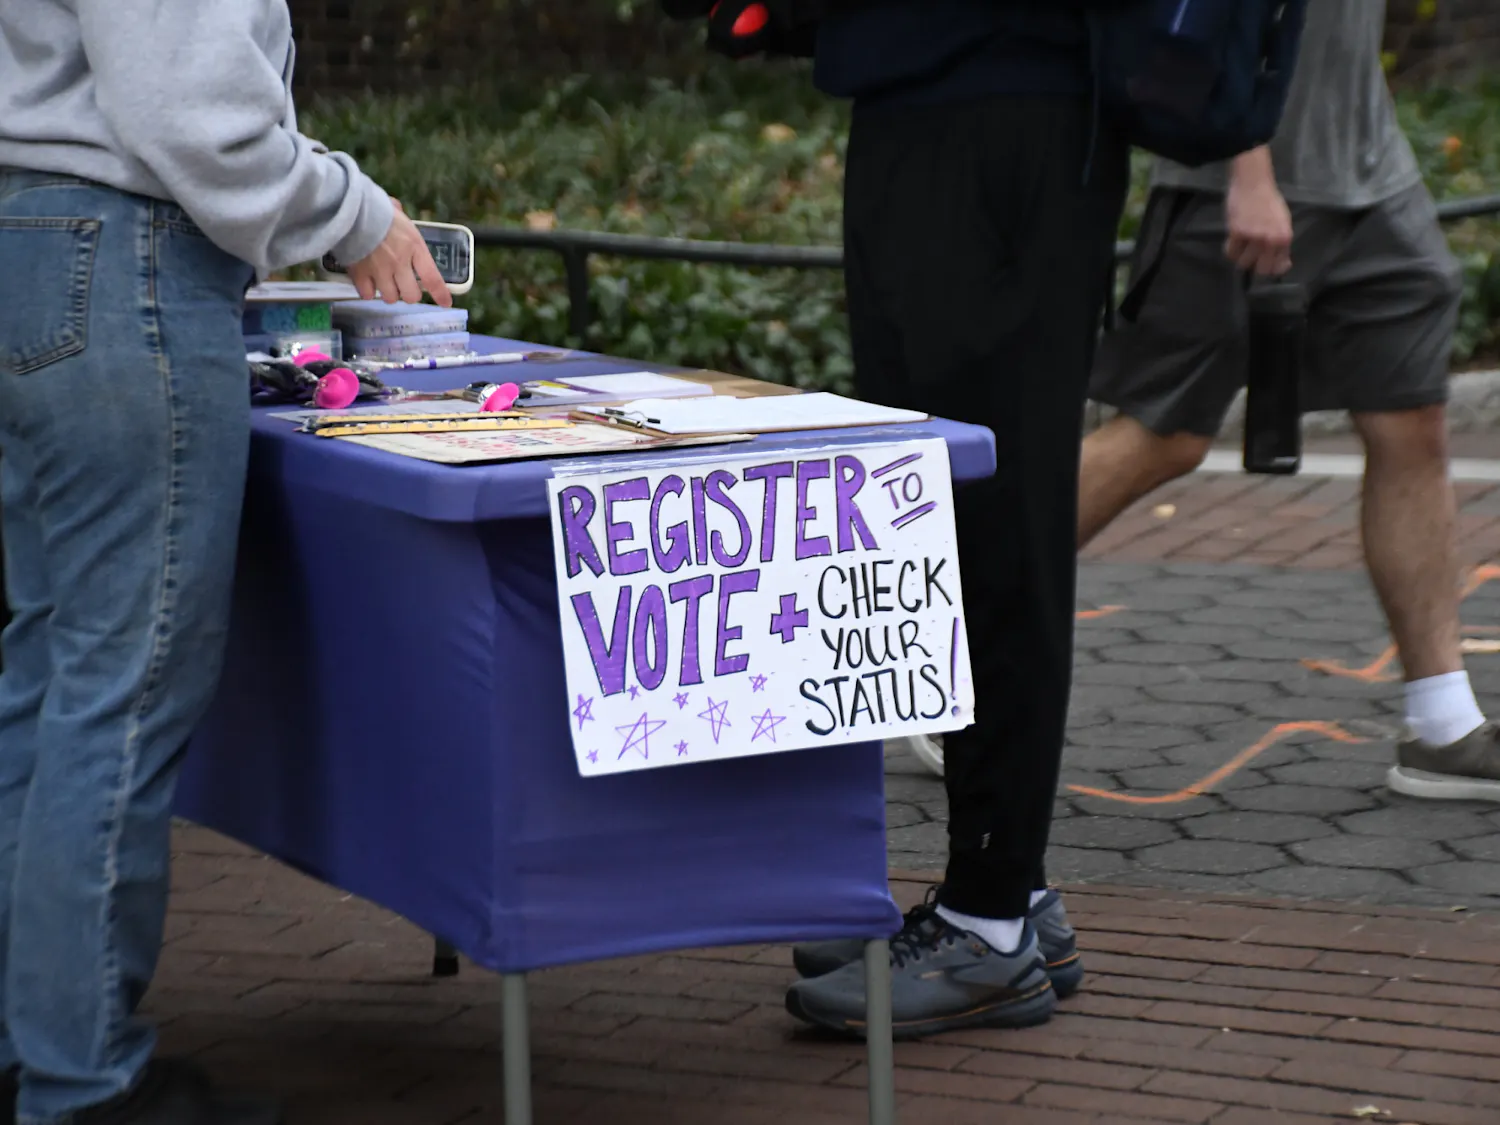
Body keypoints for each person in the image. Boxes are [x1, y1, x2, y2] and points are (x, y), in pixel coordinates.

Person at [0, 3, 449, 1123]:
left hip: (32, 242)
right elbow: (187, 106)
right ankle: (82, 1078)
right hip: (123, 257)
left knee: (48, 679)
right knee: (121, 685)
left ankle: (35, 1047)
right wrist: (354, 212)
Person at [769, 0, 1132, 1038]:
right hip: (925, 100)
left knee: (994, 519)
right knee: (939, 517)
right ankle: (1006, 886)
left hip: (1005, 109)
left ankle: (992, 920)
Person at [1078, 0, 1500, 803]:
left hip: (1371, 173)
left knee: (1412, 420)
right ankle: (943, 650)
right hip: (1237, 178)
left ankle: (1442, 727)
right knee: (1162, 436)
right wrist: (1249, 170)